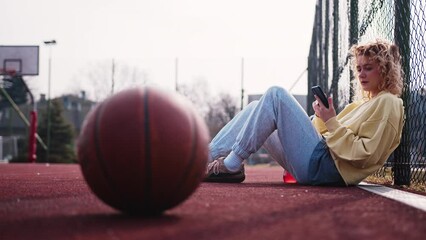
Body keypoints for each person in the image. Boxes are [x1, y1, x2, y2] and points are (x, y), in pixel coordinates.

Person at [205, 39, 405, 186]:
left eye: (368, 68)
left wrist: (332, 122)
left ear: (385, 69)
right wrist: (321, 118)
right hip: (319, 159)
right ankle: (204, 159)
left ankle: (230, 164)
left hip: (326, 167)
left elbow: (365, 155)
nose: (361, 74)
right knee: (256, 107)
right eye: (359, 68)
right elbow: (330, 134)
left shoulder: (388, 103)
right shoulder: (362, 103)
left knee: (276, 95)